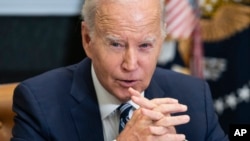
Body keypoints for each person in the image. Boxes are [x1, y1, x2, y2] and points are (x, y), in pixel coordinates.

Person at [11, 0, 229, 141]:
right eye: (116, 44)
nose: (131, 64)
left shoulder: (193, 96)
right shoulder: (39, 102)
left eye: (145, 46)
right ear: (88, 40)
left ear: (161, 42)